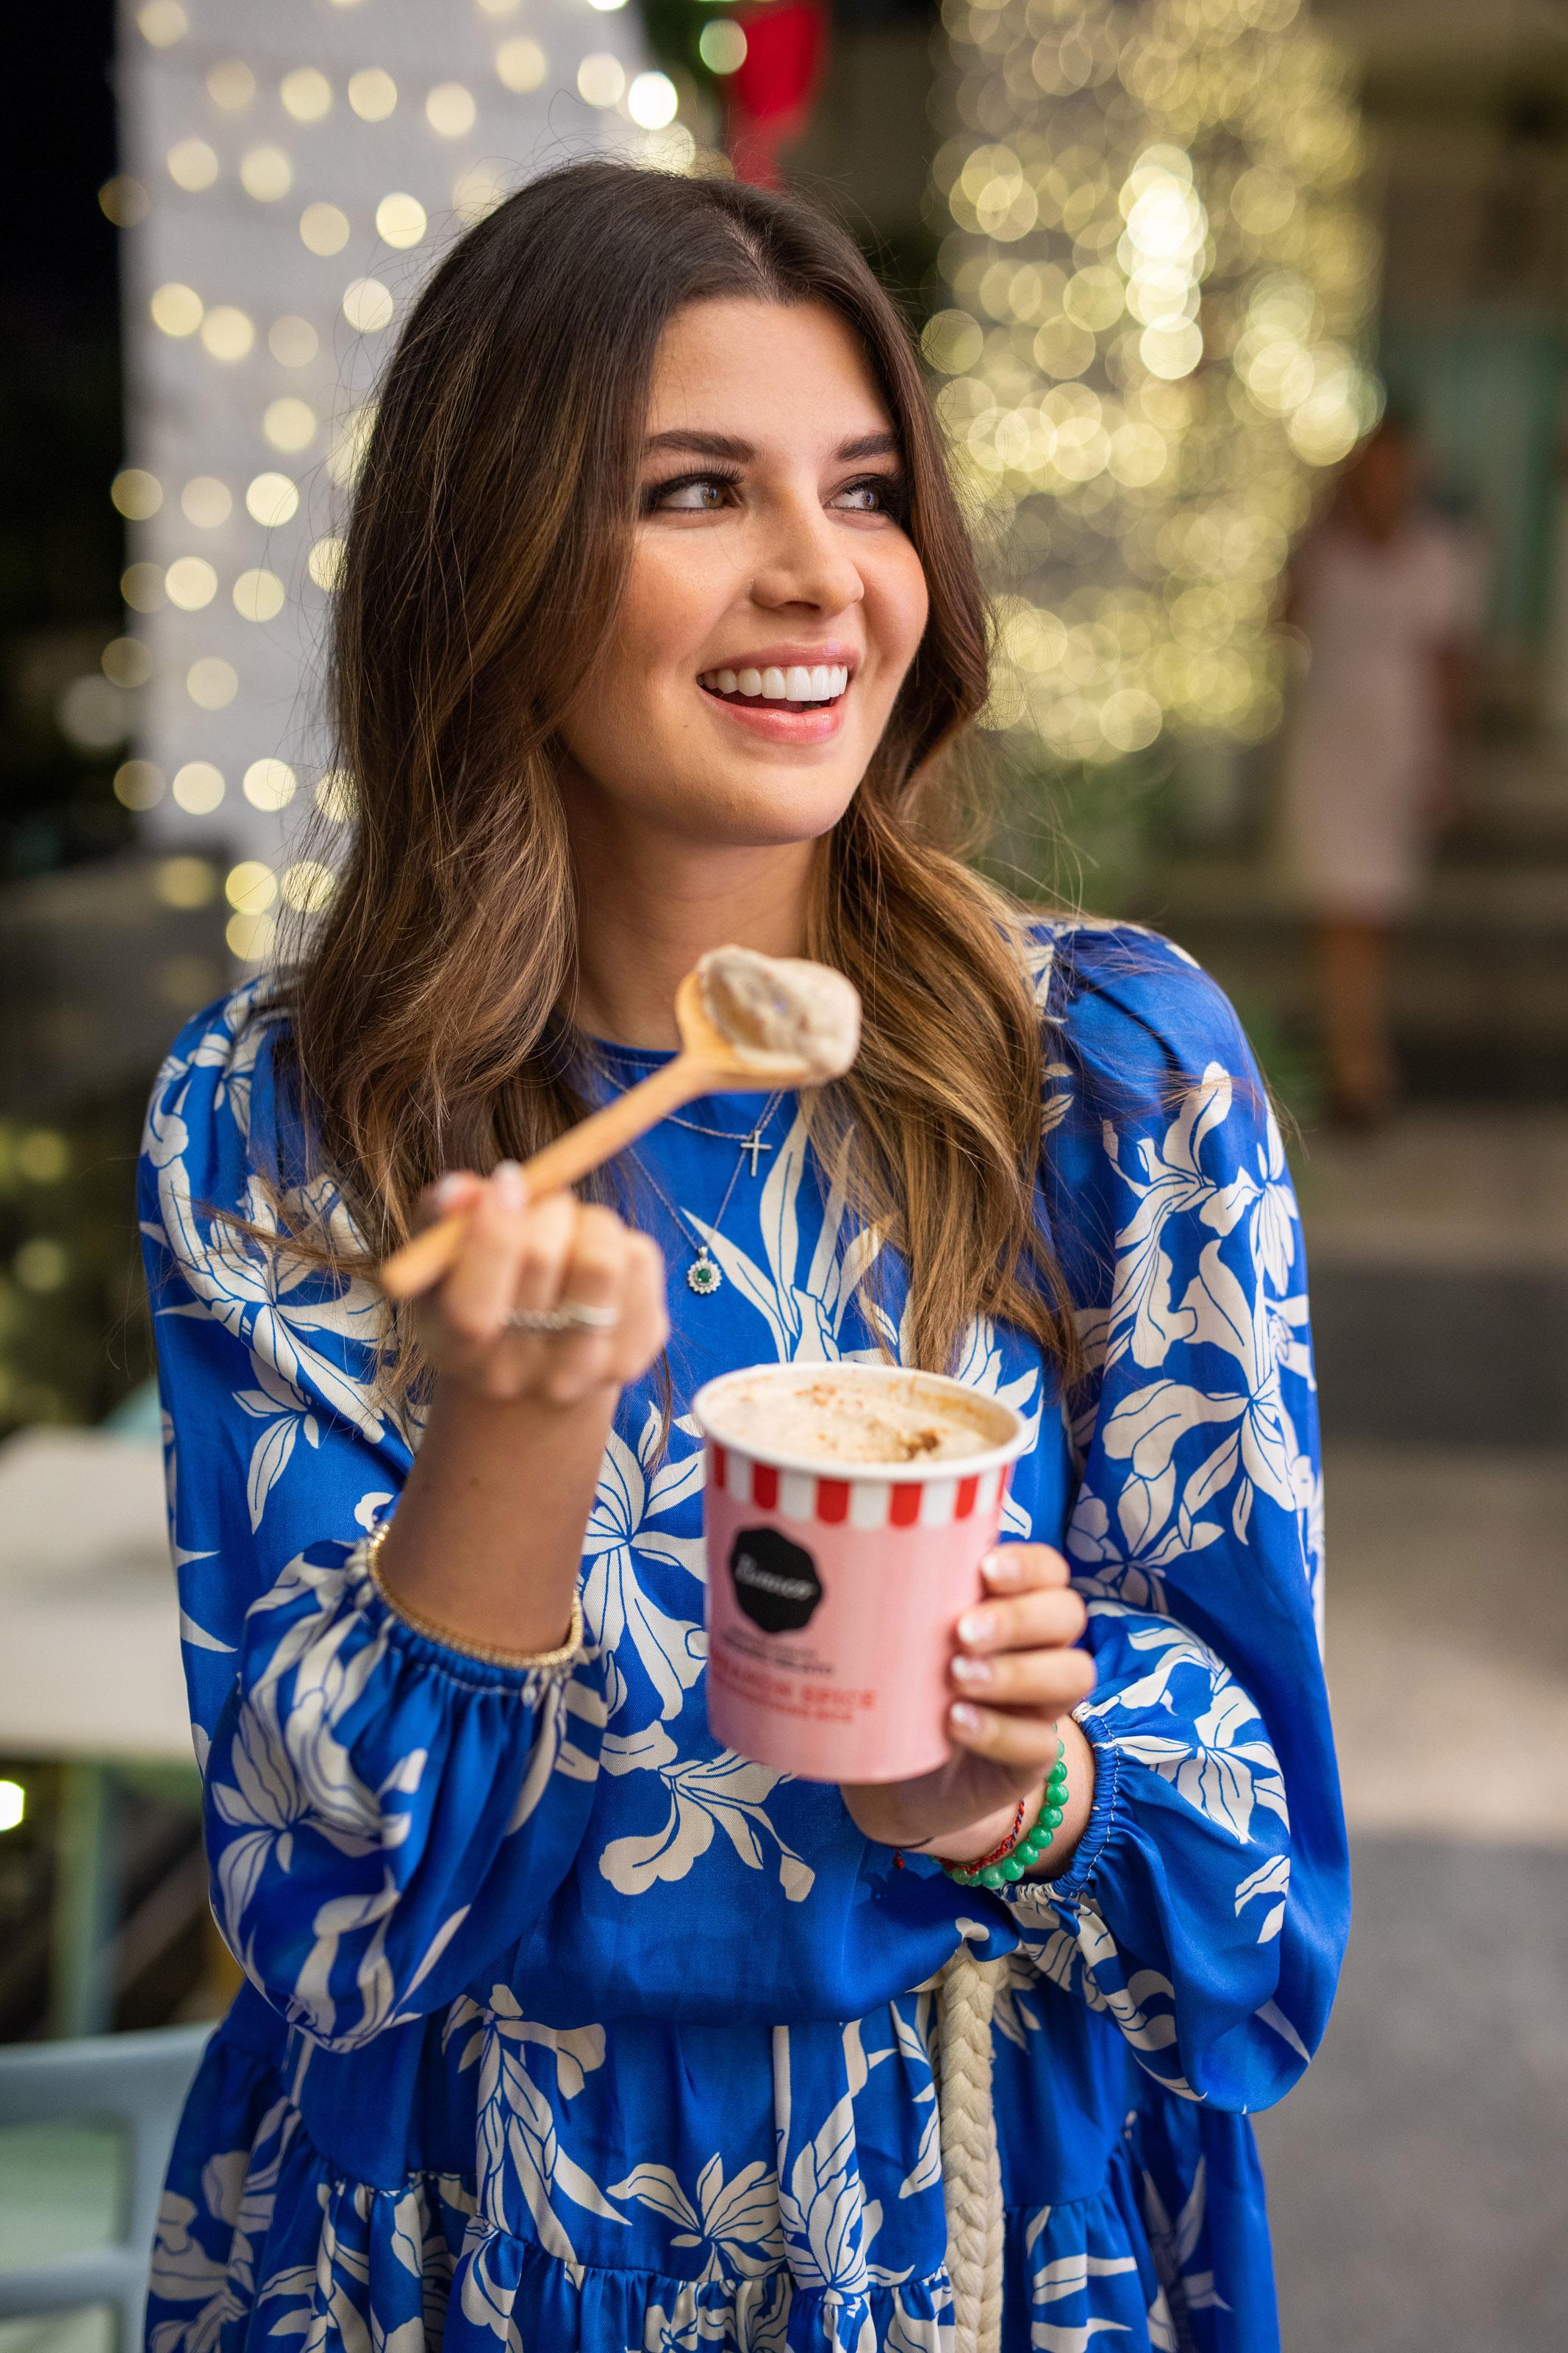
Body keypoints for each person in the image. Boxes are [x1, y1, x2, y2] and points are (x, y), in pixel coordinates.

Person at [140, 163, 1345, 2353]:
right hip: (439, 2238)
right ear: (494, 569)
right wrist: (507, 1439)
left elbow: (1270, 1922)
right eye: (699, 489)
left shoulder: (1105, 1071)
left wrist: (1025, 1780)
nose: (821, 574)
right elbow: (323, 1916)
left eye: (868, 491)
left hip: (970, 2219)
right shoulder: (288, 1119)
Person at [1280, 413, 1480, 1125]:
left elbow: (1447, 661)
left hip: (1395, 745)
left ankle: (1358, 1050)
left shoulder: (1436, 555)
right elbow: (1283, 617)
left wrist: (1444, 758)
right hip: (1330, 744)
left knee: (1374, 908)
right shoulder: (1325, 551)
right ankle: (1357, 1062)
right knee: (1338, 907)